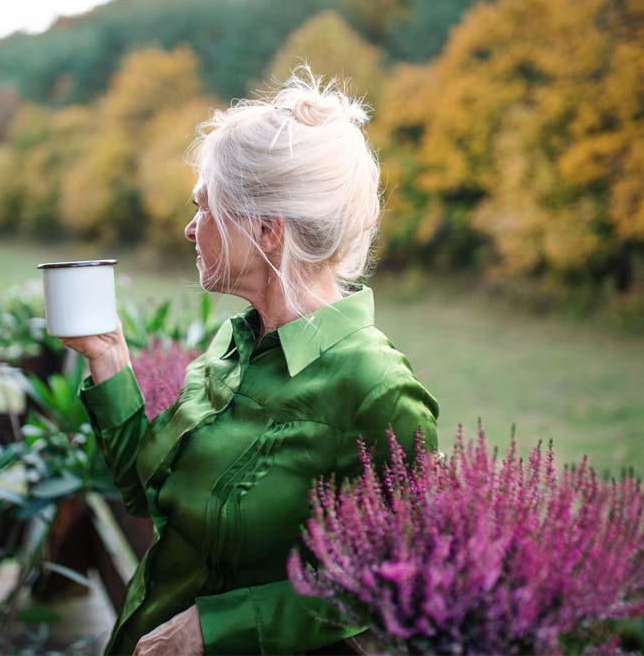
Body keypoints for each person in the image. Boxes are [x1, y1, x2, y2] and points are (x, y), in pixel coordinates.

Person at [59, 65, 440, 656]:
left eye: (206, 207)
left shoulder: (378, 390)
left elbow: (401, 582)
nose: (191, 228)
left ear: (265, 229)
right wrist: (108, 357)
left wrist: (215, 628)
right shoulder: (234, 345)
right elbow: (151, 496)